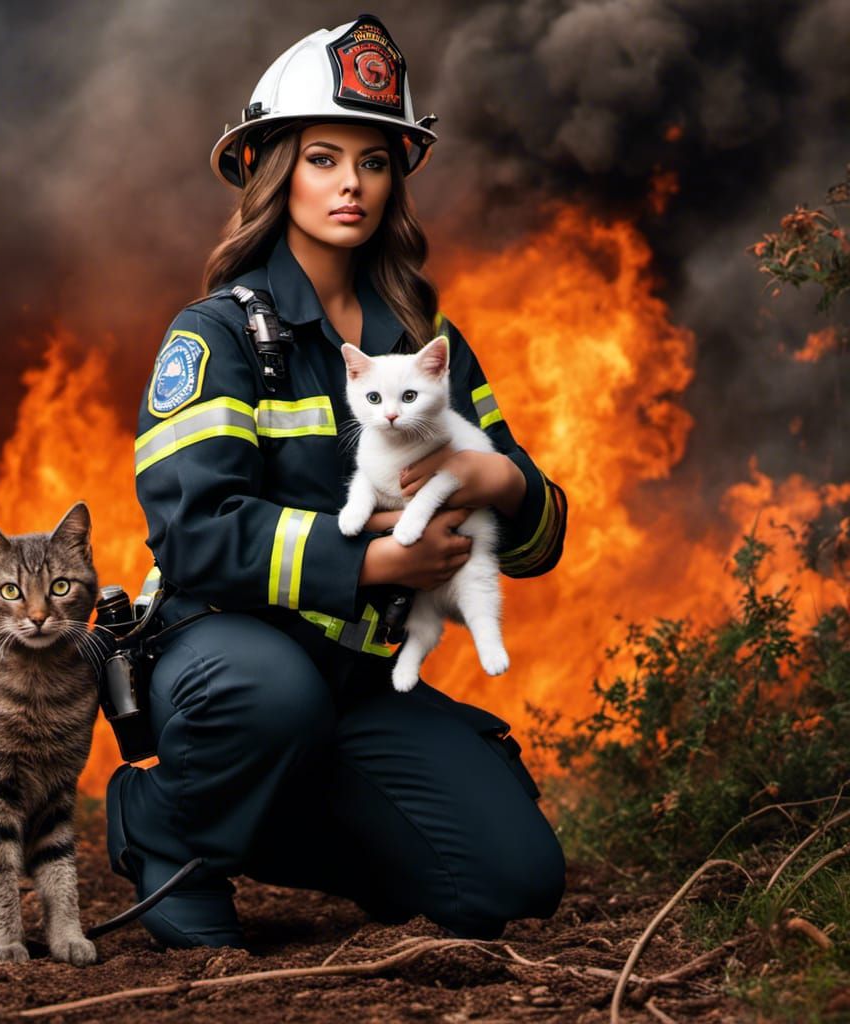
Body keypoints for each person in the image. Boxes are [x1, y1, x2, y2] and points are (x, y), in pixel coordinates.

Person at [106, 15, 568, 950]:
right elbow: (195, 535)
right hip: (227, 659)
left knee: (510, 881)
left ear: (396, 181)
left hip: (355, 682)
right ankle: (164, 826)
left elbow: (537, 540)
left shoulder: (424, 339)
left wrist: (503, 482)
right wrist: (374, 564)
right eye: (322, 157)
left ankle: (276, 809)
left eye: (374, 161)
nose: (350, 184)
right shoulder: (219, 335)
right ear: (274, 171)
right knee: (270, 694)